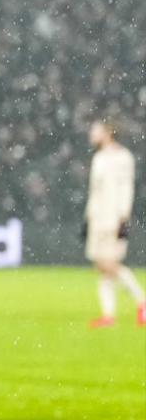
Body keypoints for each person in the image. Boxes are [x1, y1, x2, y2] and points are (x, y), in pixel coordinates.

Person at [83, 120, 140, 328]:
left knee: (109, 264)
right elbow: (95, 191)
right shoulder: (99, 157)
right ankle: (108, 315)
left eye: (95, 130)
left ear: (108, 133)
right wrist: (88, 216)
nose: (91, 133)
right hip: (97, 218)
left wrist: (122, 217)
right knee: (102, 267)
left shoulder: (122, 157)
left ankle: (142, 302)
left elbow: (126, 188)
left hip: (112, 218)